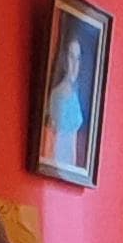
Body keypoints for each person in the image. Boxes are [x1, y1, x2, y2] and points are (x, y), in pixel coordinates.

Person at [40, 29, 89, 172]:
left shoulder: (76, 93)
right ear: (64, 60)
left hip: (70, 168)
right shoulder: (57, 95)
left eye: (78, 59)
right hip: (57, 163)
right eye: (71, 57)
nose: (74, 64)